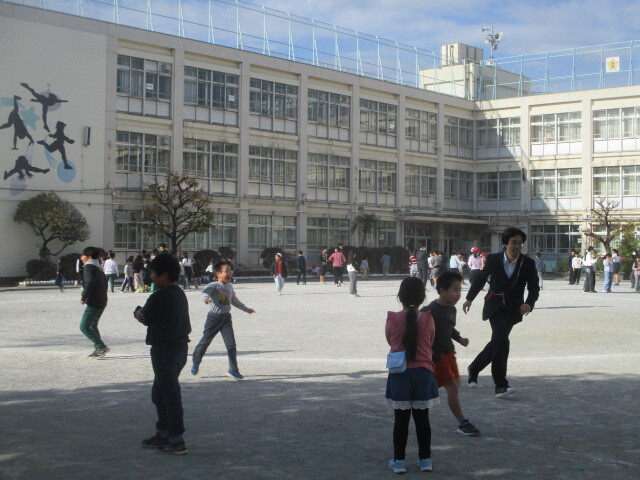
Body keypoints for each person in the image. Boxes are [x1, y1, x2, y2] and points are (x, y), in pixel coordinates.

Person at [462, 227, 540, 398]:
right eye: (513, 242)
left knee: (498, 341)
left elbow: (534, 287)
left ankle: (474, 368)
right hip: (494, 306)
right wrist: (469, 298)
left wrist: (529, 303)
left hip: (513, 309)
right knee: (502, 341)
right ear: (505, 244)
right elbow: (480, 279)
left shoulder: (527, 263)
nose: (517, 246)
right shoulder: (493, 259)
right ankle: (500, 385)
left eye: (520, 243)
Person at [135, 252, 191, 455]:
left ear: (164, 275)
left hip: (164, 350)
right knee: (159, 394)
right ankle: (164, 433)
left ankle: (176, 440)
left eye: (153, 273)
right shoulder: (178, 292)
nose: (150, 277)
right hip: (180, 348)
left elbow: (145, 317)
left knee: (169, 395)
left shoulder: (159, 296)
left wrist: (136, 311)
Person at [385, 277, 439, 474]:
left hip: (401, 374)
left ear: (400, 297)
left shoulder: (392, 319)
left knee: (400, 421)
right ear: (422, 298)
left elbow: (390, 341)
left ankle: (399, 461)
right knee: (422, 420)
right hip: (423, 373)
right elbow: (430, 342)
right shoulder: (428, 318)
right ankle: (425, 460)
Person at [421, 271, 480, 437]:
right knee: (452, 388)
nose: (458, 294)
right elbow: (420, 333)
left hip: (449, 352)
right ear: (442, 290)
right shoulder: (429, 311)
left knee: (455, 385)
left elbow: (449, 327)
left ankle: (422, 395)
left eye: (460, 290)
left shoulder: (451, 309)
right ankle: (463, 423)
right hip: (437, 356)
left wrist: (459, 338)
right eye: (455, 290)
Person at [190, 261, 255, 380]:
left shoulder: (229, 287)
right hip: (213, 318)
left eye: (231, 271)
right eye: (227, 271)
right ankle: (196, 361)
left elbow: (234, 301)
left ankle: (233, 370)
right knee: (205, 342)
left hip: (226, 319)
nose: (229, 274)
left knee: (231, 345)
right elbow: (204, 293)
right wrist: (205, 299)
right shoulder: (214, 285)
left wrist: (246, 309)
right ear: (218, 274)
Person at [79, 246, 110, 358]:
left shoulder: (89, 267)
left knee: (84, 326)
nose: (81, 257)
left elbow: (89, 282)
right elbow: (105, 284)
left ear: (89, 257)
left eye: (83, 255)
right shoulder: (99, 267)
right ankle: (99, 348)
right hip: (102, 300)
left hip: (94, 301)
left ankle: (101, 347)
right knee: (92, 325)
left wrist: (84, 297)